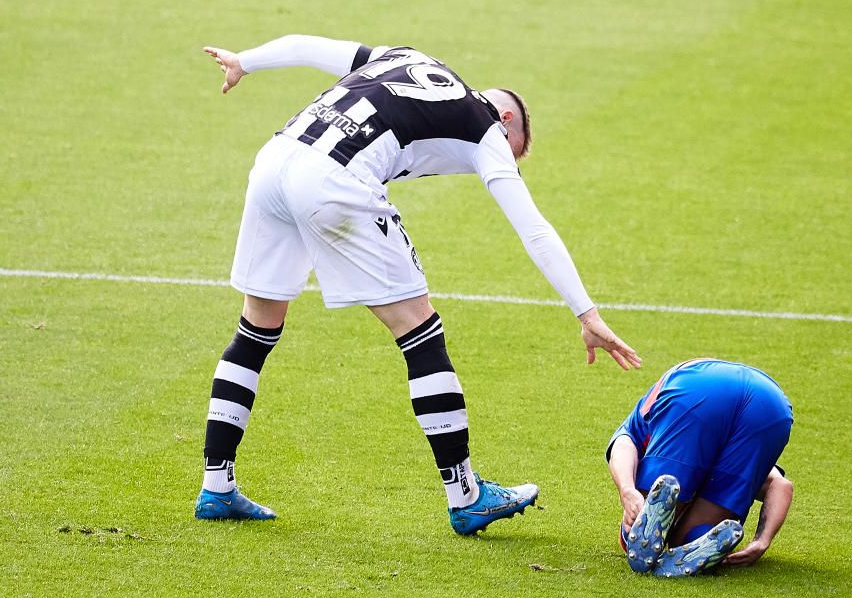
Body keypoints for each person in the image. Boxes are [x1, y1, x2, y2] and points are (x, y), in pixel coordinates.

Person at [195, 34, 642, 534]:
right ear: (508, 121)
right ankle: (466, 495)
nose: (502, 165)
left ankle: (217, 485)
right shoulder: (486, 127)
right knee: (420, 332)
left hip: (274, 163)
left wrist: (245, 63)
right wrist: (587, 313)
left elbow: (304, 44)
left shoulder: (405, 57)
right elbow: (533, 226)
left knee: (256, 328)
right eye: (514, 157)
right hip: (335, 180)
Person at [606, 358, 793, 576]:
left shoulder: (644, 418)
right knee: (690, 537)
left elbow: (623, 442)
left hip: (699, 385)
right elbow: (781, 484)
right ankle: (694, 539)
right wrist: (762, 540)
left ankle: (632, 534)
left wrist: (628, 490)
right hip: (771, 406)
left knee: (643, 507)